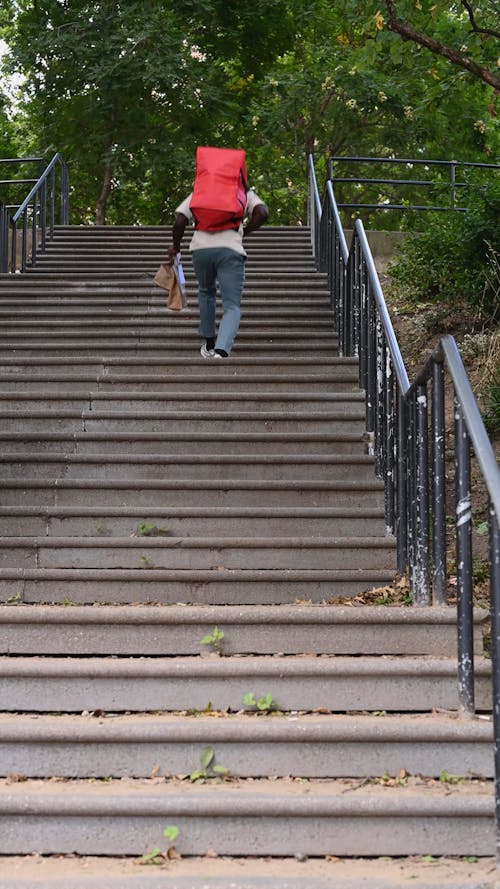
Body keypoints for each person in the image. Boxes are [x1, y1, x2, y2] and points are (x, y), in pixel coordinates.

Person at [167, 180, 268, 358]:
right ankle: (221, 350)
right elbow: (262, 213)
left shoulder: (201, 192)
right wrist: (245, 230)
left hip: (201, 250)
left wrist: (176, 246)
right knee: (232, 304)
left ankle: (209, 343)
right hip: (230, 250)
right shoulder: (242, 193)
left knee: (206, 292)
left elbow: (180, 220)